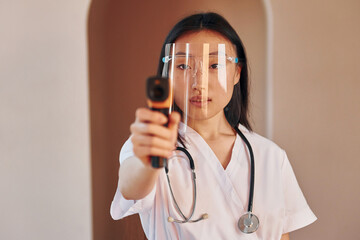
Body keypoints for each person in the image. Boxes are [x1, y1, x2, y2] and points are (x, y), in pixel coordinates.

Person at [110, 12, 316, 240]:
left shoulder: (270, 156)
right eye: (182, 66)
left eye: (215, 65)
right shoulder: (153, 144)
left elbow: (281, 234)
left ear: (237, 73)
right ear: (166, 73)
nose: (199, 83)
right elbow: (130, 187)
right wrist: (148, 161)